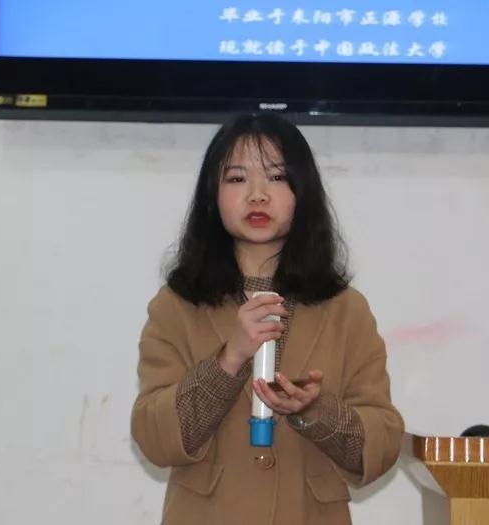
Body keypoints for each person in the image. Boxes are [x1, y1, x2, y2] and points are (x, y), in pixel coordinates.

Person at [131, 113, 404, 525]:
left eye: (276, 177)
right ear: (212, 196)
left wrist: (316, 411)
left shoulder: (347, 310)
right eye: (237, 178)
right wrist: (228, 360)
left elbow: (381, 447)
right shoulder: (175, 306)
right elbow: (155, 439)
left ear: (303, 193)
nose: (257, 195)